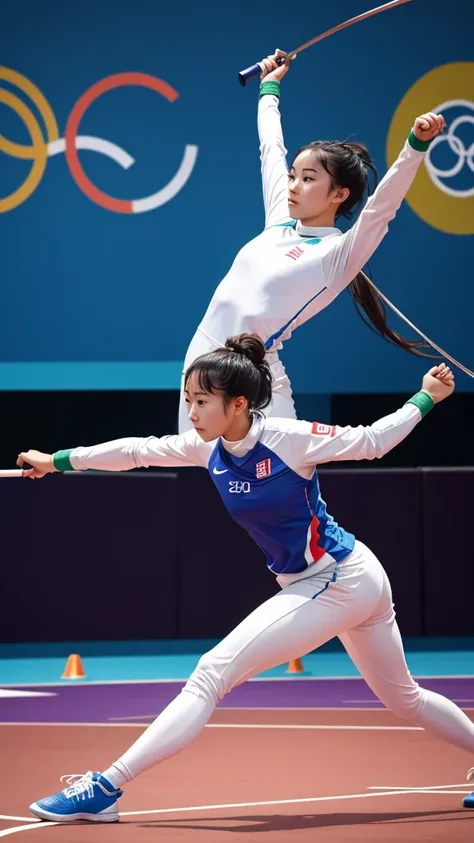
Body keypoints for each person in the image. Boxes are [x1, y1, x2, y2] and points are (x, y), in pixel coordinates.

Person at [17, 333, 474, 822]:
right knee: (406, 700)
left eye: (201, 402)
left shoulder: (289, 438)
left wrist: (426, 395)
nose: (191, 412)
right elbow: (135, 451)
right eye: (187, 399)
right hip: (333, 581)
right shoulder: (205, 447)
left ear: (237, 404)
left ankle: (105, 787)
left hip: (339, 578)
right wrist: (56, 462)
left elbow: (373, 442)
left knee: (212, 673)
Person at [178, 49, 446, 432]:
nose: (292, 186)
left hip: (251, 385)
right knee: (212, 476)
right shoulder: (280, 222)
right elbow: (271, 149)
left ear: (338, 194)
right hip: (199, 362)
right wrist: (269, 88)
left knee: (282, 485)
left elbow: (381, 209)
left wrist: (414, 147)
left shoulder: (337, 255)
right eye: (292, 176)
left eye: (307, 179)